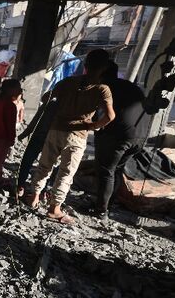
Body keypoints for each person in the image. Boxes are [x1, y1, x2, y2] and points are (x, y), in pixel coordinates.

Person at [24, 49, 115, 224]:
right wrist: (93, 125)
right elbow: (110, 116)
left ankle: (34, 197)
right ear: (104, 68)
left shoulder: (68, 82)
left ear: (86, 65)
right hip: (77, 135)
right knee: (66, 173)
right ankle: (54, 209)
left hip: (56, 130)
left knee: (44, 166)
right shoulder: (102, 89)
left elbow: (45, 98)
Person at [88, 61, 146, 218]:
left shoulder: (104, 87)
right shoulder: (132, 87)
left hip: (116, 136)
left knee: (106, 171)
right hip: (139, 137)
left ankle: (100, 211)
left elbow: (93, 111)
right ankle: (107, 205)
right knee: (117, 170)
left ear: (100, 73)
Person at [15, 97, 59, 196]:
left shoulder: (50, 103)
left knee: (27, 161)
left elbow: (35, 122)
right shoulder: (64, 107)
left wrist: (24, 135)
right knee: (47, 167)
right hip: (50, 140)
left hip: (40, 137)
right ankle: (41, 191)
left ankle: (20, 186)